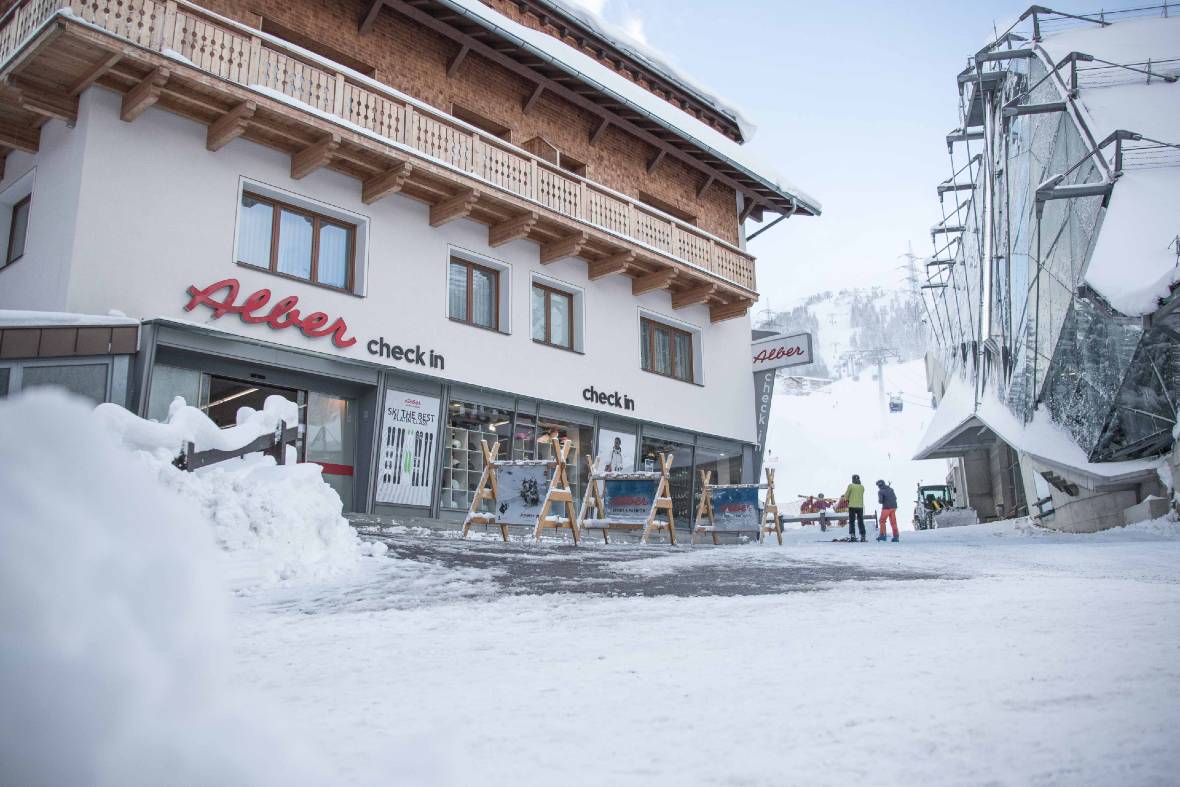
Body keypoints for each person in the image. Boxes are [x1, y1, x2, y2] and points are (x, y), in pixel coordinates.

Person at [843, 474, 865, 542]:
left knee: (852, 521)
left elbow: (846, 496)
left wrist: (844, 499)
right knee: (860, 521)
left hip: (852, 506)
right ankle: (863, 536)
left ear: (852, 479)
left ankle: (853, 535)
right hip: (860, 506)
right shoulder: (862, 487)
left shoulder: (851, 486)